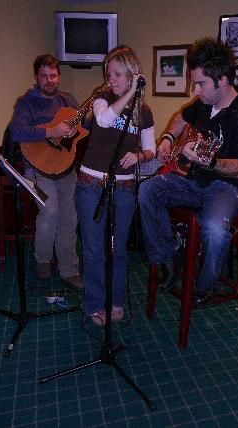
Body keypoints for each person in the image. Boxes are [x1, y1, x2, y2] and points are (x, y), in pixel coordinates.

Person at [138, 37, 238, 307]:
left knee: (214, 230)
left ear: (222, 80)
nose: (196, 90)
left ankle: (205, 286)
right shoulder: (205, 104)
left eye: (201, 83)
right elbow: (182, 117)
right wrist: (168, 138)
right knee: (149, 189)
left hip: (227, 188)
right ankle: (170, 255)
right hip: (195, 182)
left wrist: (210, 162)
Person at [76, 45, 156, 326]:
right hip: (91, 185)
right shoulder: (101, 99)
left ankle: (116, 300)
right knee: (94, 249)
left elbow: (151, 150)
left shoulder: (143, 112)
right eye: (109, 74)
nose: (112, 80)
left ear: (132, 74)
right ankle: (95, 303)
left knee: (117, 249)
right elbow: (104, 119)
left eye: (118, 74)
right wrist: (130, 93)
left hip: (123, 188)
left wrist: (139, 155)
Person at [9, 54, 83, 290]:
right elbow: (17, 133)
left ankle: (69, 269)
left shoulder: (68, 100)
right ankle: (43, 259)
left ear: (58, 76)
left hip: (65, 165)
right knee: (50, 212)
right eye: (44, 76)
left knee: (70, 217)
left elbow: (84, 128)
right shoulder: (26, 103)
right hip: (37, 166)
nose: (50, 80)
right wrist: (50, 131)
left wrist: (75, 130)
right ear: (36, 78)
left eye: (53, 75)